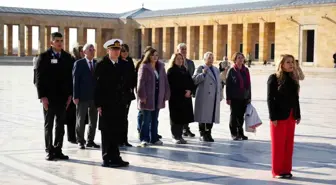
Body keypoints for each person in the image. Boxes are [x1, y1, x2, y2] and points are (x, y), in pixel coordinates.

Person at [35, 32, 73, 160]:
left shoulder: (68, 57)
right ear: (51, 42)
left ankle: (58, 149)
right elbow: (39, 78)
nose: (60, 43)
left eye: (61, 40)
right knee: (49, 124)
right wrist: (42, 97)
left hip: (62, 98)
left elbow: (70, 78)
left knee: (60, 125)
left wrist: (70, 95)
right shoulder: (44, 57)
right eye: (57, 41)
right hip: (49, 98)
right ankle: (49, 149)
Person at [95, 38, 129, 167]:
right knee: (107, 131)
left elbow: (127, 84)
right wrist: (98, 104)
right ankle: (107, 157)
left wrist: (125, 99)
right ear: (108, 50)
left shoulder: (123, 64)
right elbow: (97, 86)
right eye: (114, 49)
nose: (116, 51)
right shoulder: (102, 65)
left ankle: (116, 156)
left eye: (118, 49)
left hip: (119, 104)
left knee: (117, 130)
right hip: (106, 104)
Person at [267, 54, 301, 179]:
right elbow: (270, 99)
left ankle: (286, 169)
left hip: (291, 116)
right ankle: (277, 171)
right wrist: (273, 117)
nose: (291, 64)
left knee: (288, 145)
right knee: (278, 145)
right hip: (279, 117)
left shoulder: (293, 78)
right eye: (288, 62)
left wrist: (297, 114)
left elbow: (296, 98)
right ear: (281, 64)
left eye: (292, 62)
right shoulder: (274, 78)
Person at [137, 48, 170, 147]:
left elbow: (165, 81)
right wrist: (142, 96)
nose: (155, 57)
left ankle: (154, 138)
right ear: (148, 56)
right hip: (147, 97)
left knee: (155, 119)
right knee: (146, 119)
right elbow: (141, 83)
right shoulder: (144, 67)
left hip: (157, 96)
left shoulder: (160, 67)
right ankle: (144, 139)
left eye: (156, 55)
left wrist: (166, 94)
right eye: (153, 55)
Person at [72, 43, 100, 149]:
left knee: (93, 120)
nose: (92, 51)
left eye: (93, 50)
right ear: (84, 52)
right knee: (81, 119)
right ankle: (80, 140)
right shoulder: (79, 63)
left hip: (94, 97)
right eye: (90, 50)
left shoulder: (97, 63)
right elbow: (75, 81)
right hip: (82, 96)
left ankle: (90, 140)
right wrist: (75, 96)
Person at [193, 52, 222, 142]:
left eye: (212, 57)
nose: (211, 59)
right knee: (203, 116)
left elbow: (219, 83)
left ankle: (208, 133)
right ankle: (202, 133)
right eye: (209, 58)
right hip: (204, 96)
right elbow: (194, 80)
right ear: (204, 59)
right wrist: (203, 74)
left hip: (213, 96)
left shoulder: (216, 69)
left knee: (211, 116)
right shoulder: (200, 68)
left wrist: (220, 94)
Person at [167, 53, 195, 144]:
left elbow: (191, 82)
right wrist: (184, 92)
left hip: (185, 98)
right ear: (174, 60)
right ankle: (175, 136)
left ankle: (180, 135)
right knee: (175, 118)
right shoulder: (171, 71)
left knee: (183, 117)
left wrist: (190, 91)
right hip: (176, 98)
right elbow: (172, 85)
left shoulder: (185, 70)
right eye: (178, 59)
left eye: (181, 59)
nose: (180, 61)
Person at [226, 52, 251, 141]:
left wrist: (249, 97)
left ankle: (240, 133)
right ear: (235, 60)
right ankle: (233, 133)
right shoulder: (232, 70)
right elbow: (228, 85)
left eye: (242, 58)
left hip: (244, 97)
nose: (240, 60)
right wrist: (228, 98)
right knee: (234, 116)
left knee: (241, 116)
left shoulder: (246, 70)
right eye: (238, 58)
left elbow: (248, 85)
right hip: (234, 97)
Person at [118, 44, 136, 147]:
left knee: (125, 117)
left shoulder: (129, 61)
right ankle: (119, 139)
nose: (125, 53)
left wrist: (132, 86)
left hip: (128, 94)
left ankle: (124, 139)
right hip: (120, 94)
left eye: (126, 51)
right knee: (120, 117)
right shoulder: (118, 62)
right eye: (123, 51)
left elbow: (133, 75)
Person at [176, 43, 196, 138]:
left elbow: (192, 76)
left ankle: (186, 128)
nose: (183, 50)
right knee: (180, 111)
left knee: (187, 110)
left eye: (185, 49)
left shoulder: (190, 63)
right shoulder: (174, 62)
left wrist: (191, 89)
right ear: (177, 51)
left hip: (188, 90)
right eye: (181, 49)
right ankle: (180, 129)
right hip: (179, 91)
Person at [66, 45, 84, 144]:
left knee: (80, 117)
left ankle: (79, 136)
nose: (83, 53)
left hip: (81, 93)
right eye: (81, 51)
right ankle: (71, 137)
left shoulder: (83, 62)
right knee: (71, 117)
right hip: (72, 93)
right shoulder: (72, 61)